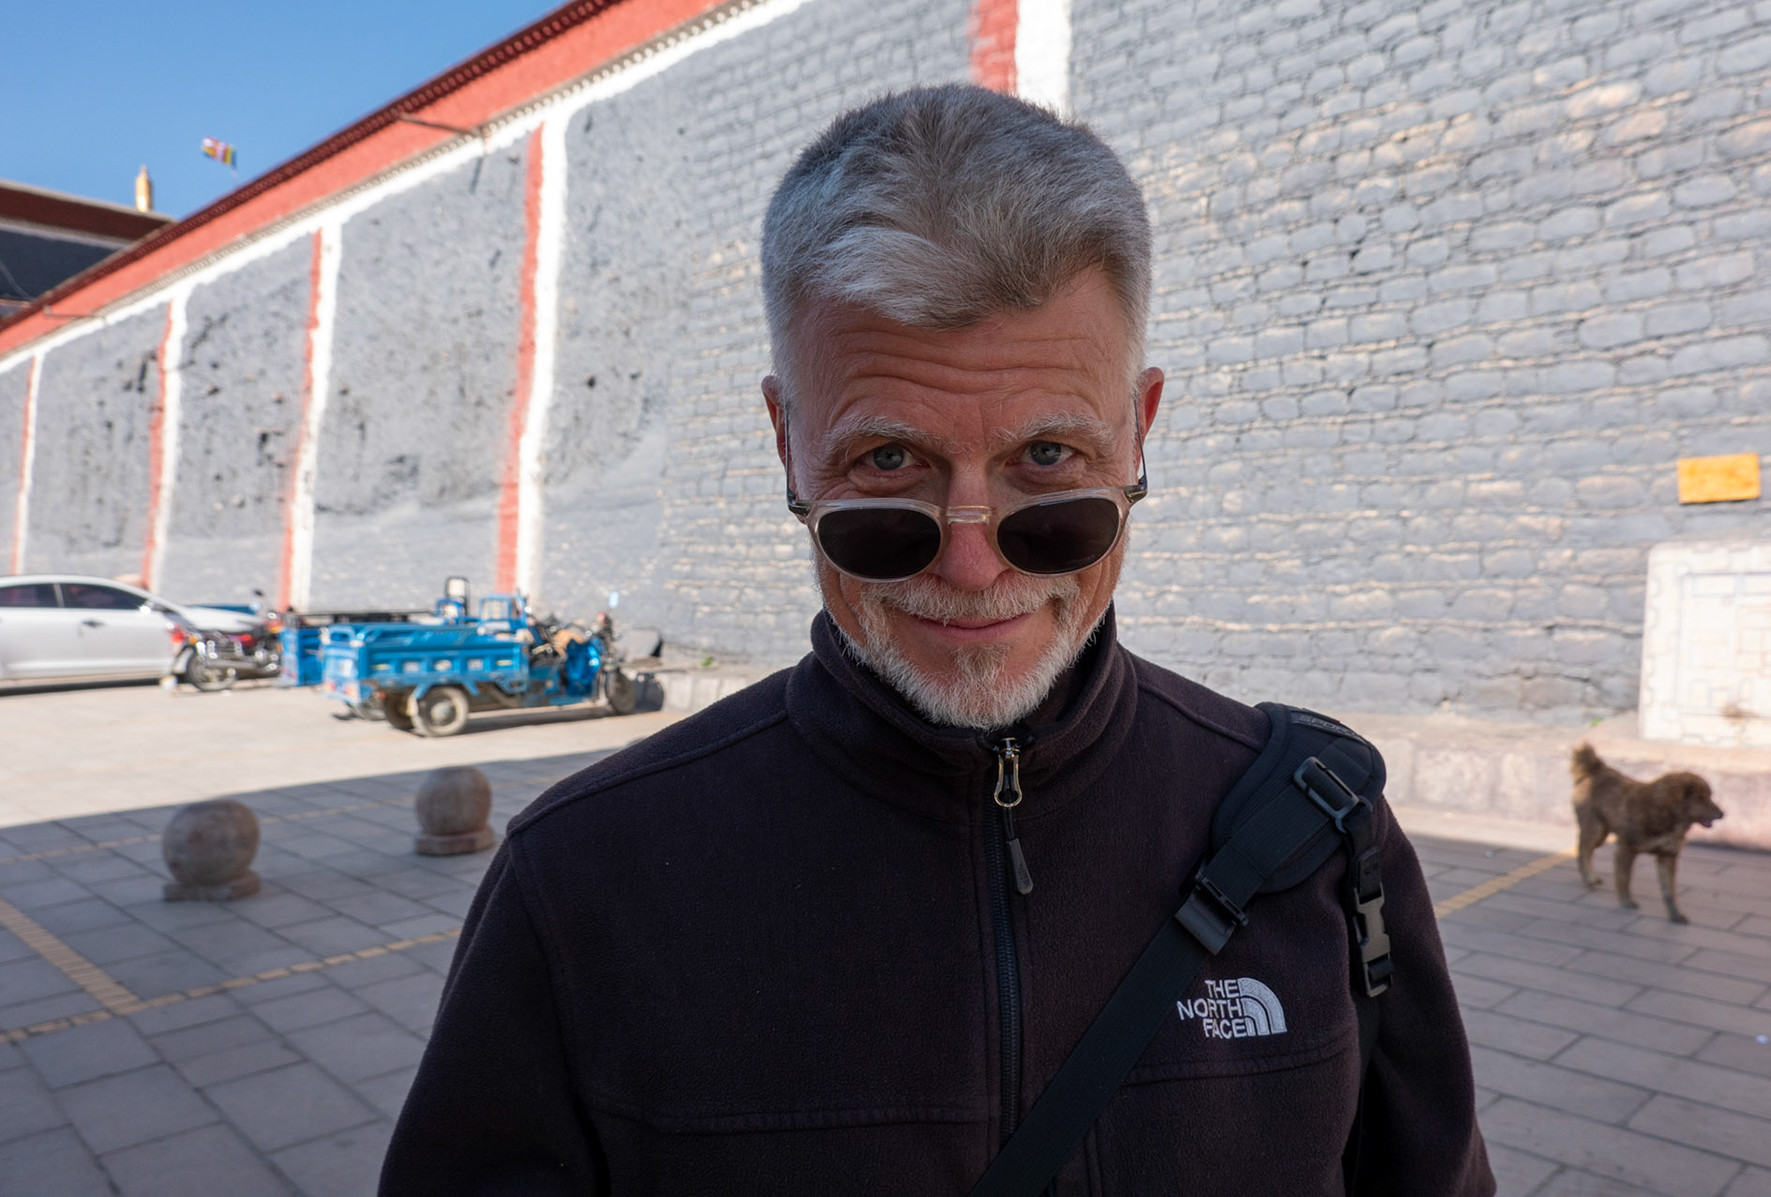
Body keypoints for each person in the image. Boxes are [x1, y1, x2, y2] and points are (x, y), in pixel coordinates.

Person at [382, 84, 1494, 1195]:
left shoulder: (1323, 839)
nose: (971, 567)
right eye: (887, 463)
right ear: (787, 444)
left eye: (1048, 460)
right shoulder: (583, 884)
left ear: (1139, 432)